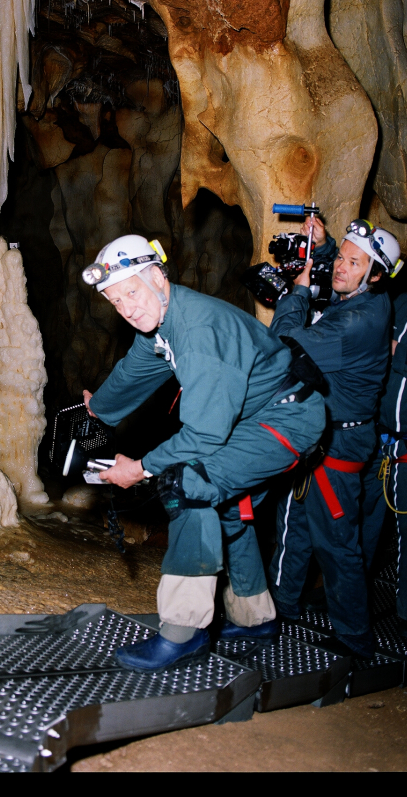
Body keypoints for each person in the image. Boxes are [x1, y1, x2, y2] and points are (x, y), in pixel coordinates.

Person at [82, 235, 326, 672]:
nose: (127, 309)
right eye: (116, 302)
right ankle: (256, 620)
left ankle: (184, 632)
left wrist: (138, 468)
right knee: (228, 509)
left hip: (286, 420)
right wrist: (98, 406)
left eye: (132, 292)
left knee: (188, 485)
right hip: (259, 419)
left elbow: (203, 437)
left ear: (158, 277)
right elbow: (136, 368)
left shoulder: (197, 330)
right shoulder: (164, 320)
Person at [268, 219, 401, 658]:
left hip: (339, 445)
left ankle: (354, 638)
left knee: (336, 543)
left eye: (352, 262)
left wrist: (298, 292)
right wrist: (323, 250)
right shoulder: (373, 298)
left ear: (376, 274)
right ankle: (282, 606)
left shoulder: (355, 323)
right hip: (329, 436)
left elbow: (282, 345)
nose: (339, 268)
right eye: (340, 257)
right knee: (300, 527)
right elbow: (345, 278)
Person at [360, 292, 407, 638]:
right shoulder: (400, 302)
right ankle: (350, 605)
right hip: (379, 440)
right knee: (361, 524)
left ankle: (404, 618)